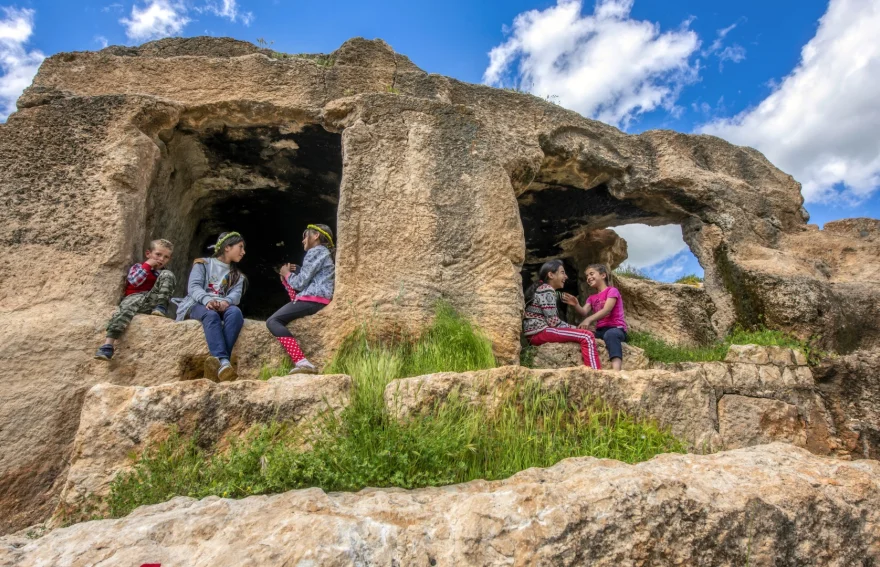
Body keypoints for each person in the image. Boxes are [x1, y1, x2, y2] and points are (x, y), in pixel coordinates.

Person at [172, 232, 246, 382]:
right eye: (240, 247)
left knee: (236, 313)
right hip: (198, 304)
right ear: (227, 247)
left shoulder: (238, 275)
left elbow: (236, 295)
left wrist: (226, 302)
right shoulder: (203, 264)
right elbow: (193, 287)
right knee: (210, 315)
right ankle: (223, 361)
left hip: (222, 305)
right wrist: (207, 300)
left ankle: (218, 364)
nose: (243, 252)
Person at [266, 224, 335, 375]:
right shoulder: (324, 254)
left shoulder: (316, 251)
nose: (303, 240)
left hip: (314, 299)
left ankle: (302, 361)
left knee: (273, 321)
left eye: (305, 236)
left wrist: (286, 274)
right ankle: (301, 362)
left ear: (315, 235)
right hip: (316, 299)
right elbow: (302, 285)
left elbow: (300, 283)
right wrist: (294, 272)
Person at [95, 239, 176, 361]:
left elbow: (166, 290)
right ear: (148, 254)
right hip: (133, 298)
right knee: (125, 309)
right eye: (158, 254)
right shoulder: (138, 267)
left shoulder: (162, 274)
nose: (161, 259)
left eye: (165, 257)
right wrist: (148, 265)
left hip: (150, 302)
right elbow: (135, 281)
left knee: (168, 274)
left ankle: (160, 307)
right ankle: (108, 345)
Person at [522, 259, 601, 369]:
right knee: (587, 336)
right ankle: (595, 373)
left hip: (535, 333)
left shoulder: (543, 289)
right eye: (562, 272)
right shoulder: (547, 290)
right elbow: (553, 322)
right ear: (551, 275)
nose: (566, 277)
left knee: (585, 334)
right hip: (539, 332)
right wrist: (576, 328)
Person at [564, 263, 628, 371]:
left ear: (603, 275)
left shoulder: (612, 291)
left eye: (591, 274)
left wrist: (589, 319)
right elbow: (584, 312)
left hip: (616, 329)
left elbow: (607, 309)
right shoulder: (591, 297)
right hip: (600, 330)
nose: (588, 278)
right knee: (585, 334)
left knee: (610, 335)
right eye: (587, 276)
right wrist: (576, 304)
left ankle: (616, 370)